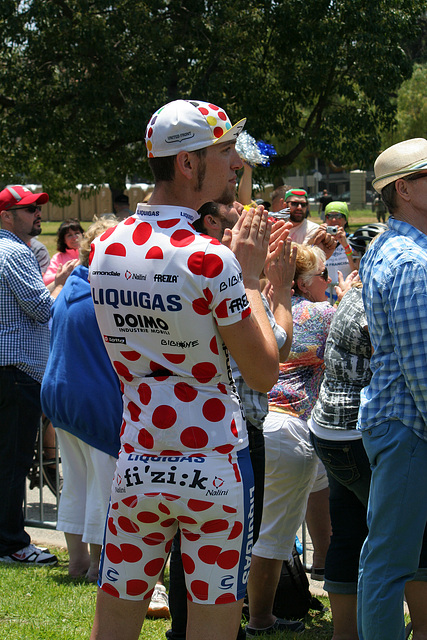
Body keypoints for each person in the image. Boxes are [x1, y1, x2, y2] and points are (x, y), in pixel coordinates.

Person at [89, 99, 281, 640]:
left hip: (139, 456)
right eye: (225, 153)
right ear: (188, 164)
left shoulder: (104, 246)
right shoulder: (209, 258)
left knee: (116, 618)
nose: (237, 166)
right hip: (214, 463)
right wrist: (250, 282)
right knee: (212, 624)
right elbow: (264, 372)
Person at [166, 200, 299, 640]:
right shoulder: (225, 275)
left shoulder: (189, 265)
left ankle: (189, 629)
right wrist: (274, 286)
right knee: (228, 545)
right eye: (238, 223)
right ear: (214, 225)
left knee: (189, 544)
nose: (250, 234)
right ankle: (219, 630)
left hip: (186, 429)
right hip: (236, 435)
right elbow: (274, 352)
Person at [246, 244, 336, 637]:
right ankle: (261, 619)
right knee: (276, 538)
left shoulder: (260, 309)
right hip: (291, 429)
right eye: (323, 275)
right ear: (302, 281)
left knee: (251, 532)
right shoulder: (322, 314)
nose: (330, 282)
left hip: (256, 426)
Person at [357, 137, 427, 640]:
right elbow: (422, 368)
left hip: (402, 423)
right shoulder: (411, 263)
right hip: (409, 425)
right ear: (404, 189)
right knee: (388, 562)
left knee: (396, 556)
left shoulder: (394, 248)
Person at [40, 216, 122, 582]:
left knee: (75, 483)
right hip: (94, 399)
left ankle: (78, 564)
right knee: (104, 486)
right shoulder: (107, 292)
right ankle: (99, 568)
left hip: (59, 394)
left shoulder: (71, 284)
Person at [0, 185, 73, 566]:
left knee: (6, 462)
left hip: (10, 372)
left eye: (37, 208)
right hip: (17, 374)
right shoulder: (14, 252)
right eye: (27, 209)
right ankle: (12, 543)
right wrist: (65, 280)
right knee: (12, 463)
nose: (37, 215)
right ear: (6, 216)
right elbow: (43, 309)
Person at [323, 201, 357, 301]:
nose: (334, 220)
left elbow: (356, 269)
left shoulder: (353, 241)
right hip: (325, 295)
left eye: (339, 216)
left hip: (347, 294)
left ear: (345, 220)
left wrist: (345, 245)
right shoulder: (320, 241)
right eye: (329, 216)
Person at [43, 217, 83, 286]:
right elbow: (46, 280)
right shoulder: (58, 257)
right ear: (63, 240)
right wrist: (65, 273)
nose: (74, 238)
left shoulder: (89, 253)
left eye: (77, 233)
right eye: (69, 235)